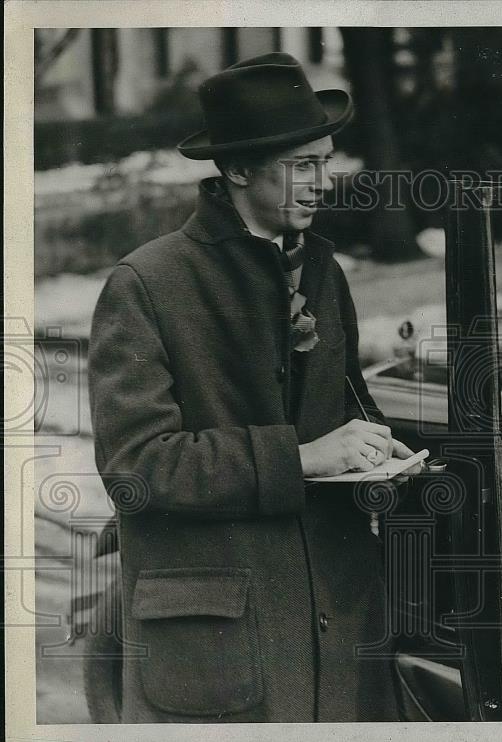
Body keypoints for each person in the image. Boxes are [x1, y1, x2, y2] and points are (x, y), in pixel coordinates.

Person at [88, 53, 418, 722]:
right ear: (237, 170)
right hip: (218, 648)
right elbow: (137, 467)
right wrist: (300, 458)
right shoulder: (145, 284)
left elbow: (346, 404)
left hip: (340, 635)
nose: (326, 181)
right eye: (303, 165)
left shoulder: (324, 270)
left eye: (327, 160)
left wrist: (382, 455)